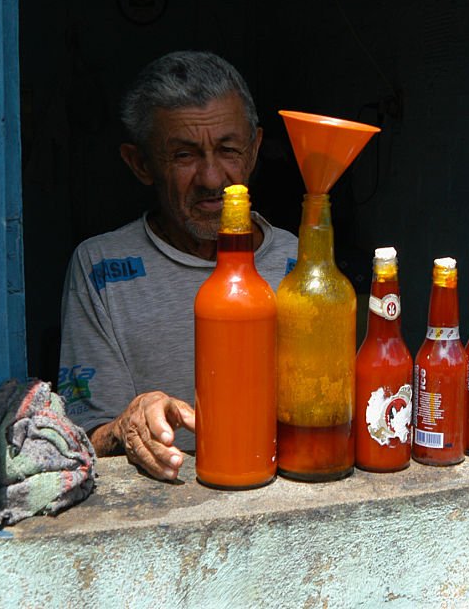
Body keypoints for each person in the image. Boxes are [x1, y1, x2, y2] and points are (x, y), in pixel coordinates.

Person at [58, 51, 298, 481]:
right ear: (141, 163)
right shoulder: (101, 267)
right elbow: (77, 441)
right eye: (184, 156)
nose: (211, 178)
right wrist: (127, 425)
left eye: (228, 150)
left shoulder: (300, 266)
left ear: (255, 149)